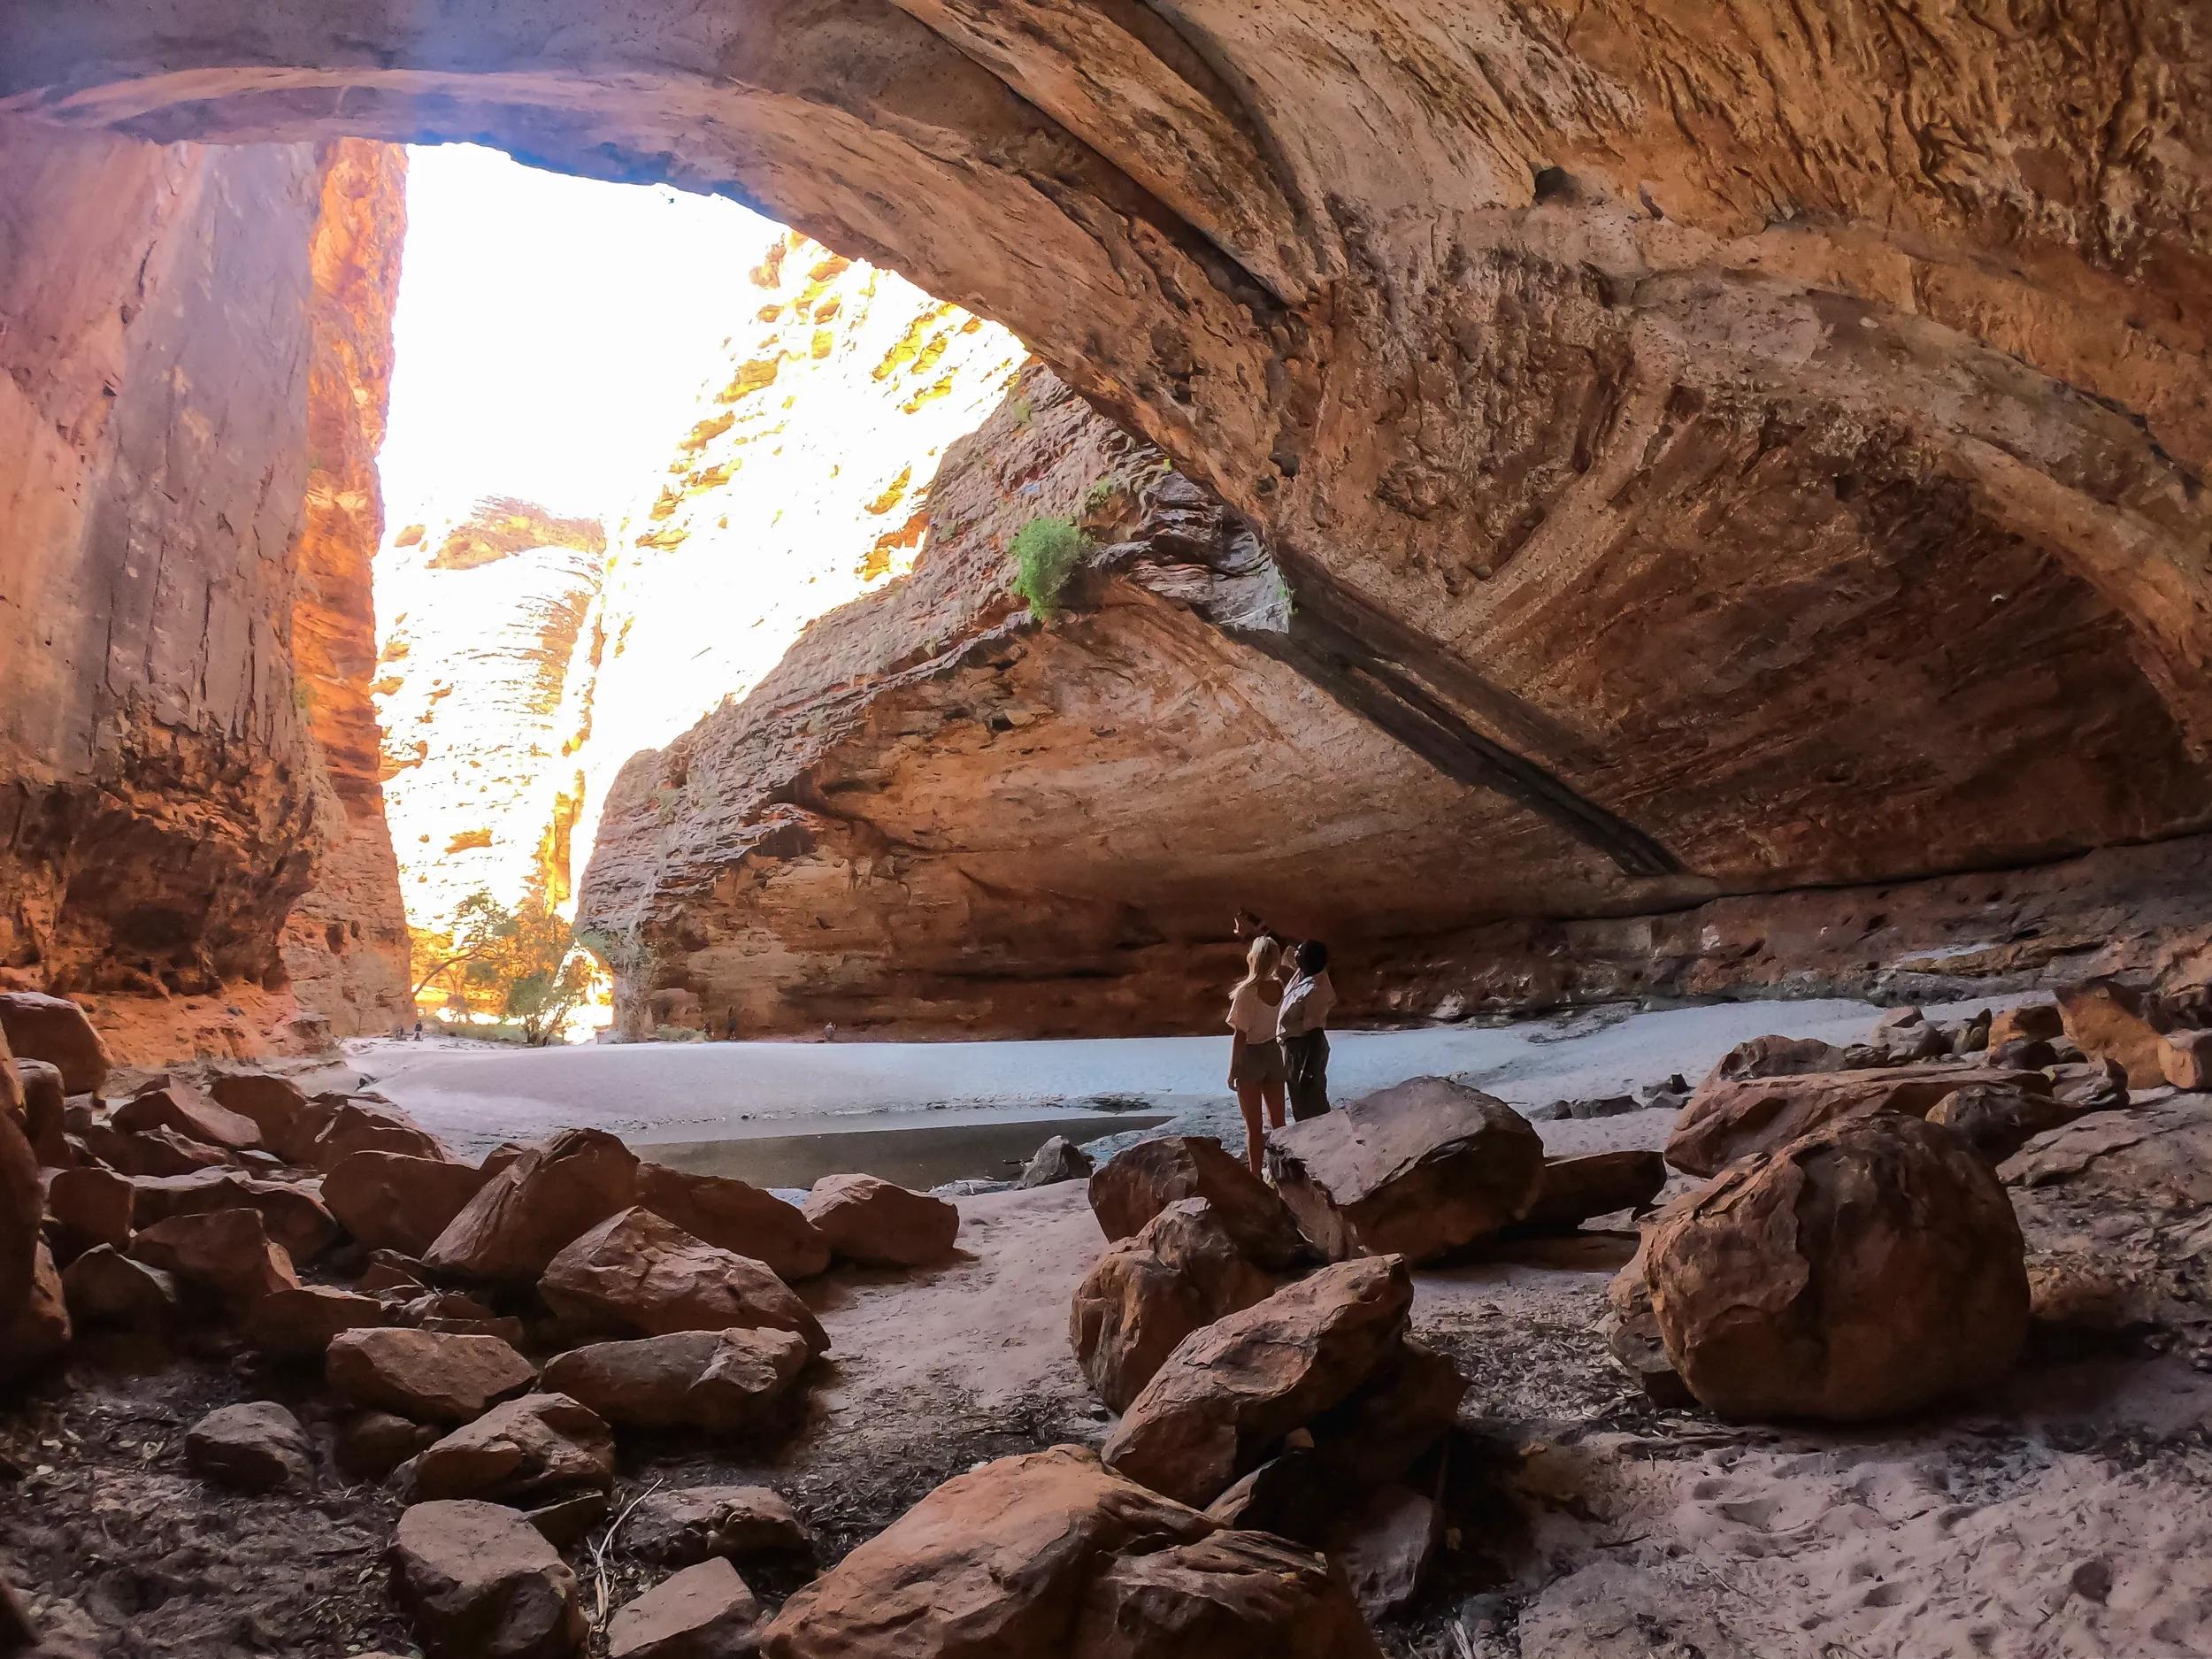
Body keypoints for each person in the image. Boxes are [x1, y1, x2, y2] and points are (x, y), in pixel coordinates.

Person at [1225, 934, 1287, 1174]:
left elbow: (1240, 1035)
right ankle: (1283, 1172)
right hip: (1273, 1052)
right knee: (1279, 1122)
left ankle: (1255, 1176)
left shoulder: (1247, 992)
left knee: (1254, 1126)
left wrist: (1232, 1071)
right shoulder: (1279, 986)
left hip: (1251, 1055)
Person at [1278, 939, 1334, 1120]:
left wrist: (1308, 1070)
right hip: (1294, 1047)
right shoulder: (1302, 974)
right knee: (1299, 1101)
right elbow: (1284, 947)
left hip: (1305, 1048)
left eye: (1299, 953)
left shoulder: (1316, 989)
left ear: (1307, 959)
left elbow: (1315, 1032)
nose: (1295, 954)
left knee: (1311, 1100)